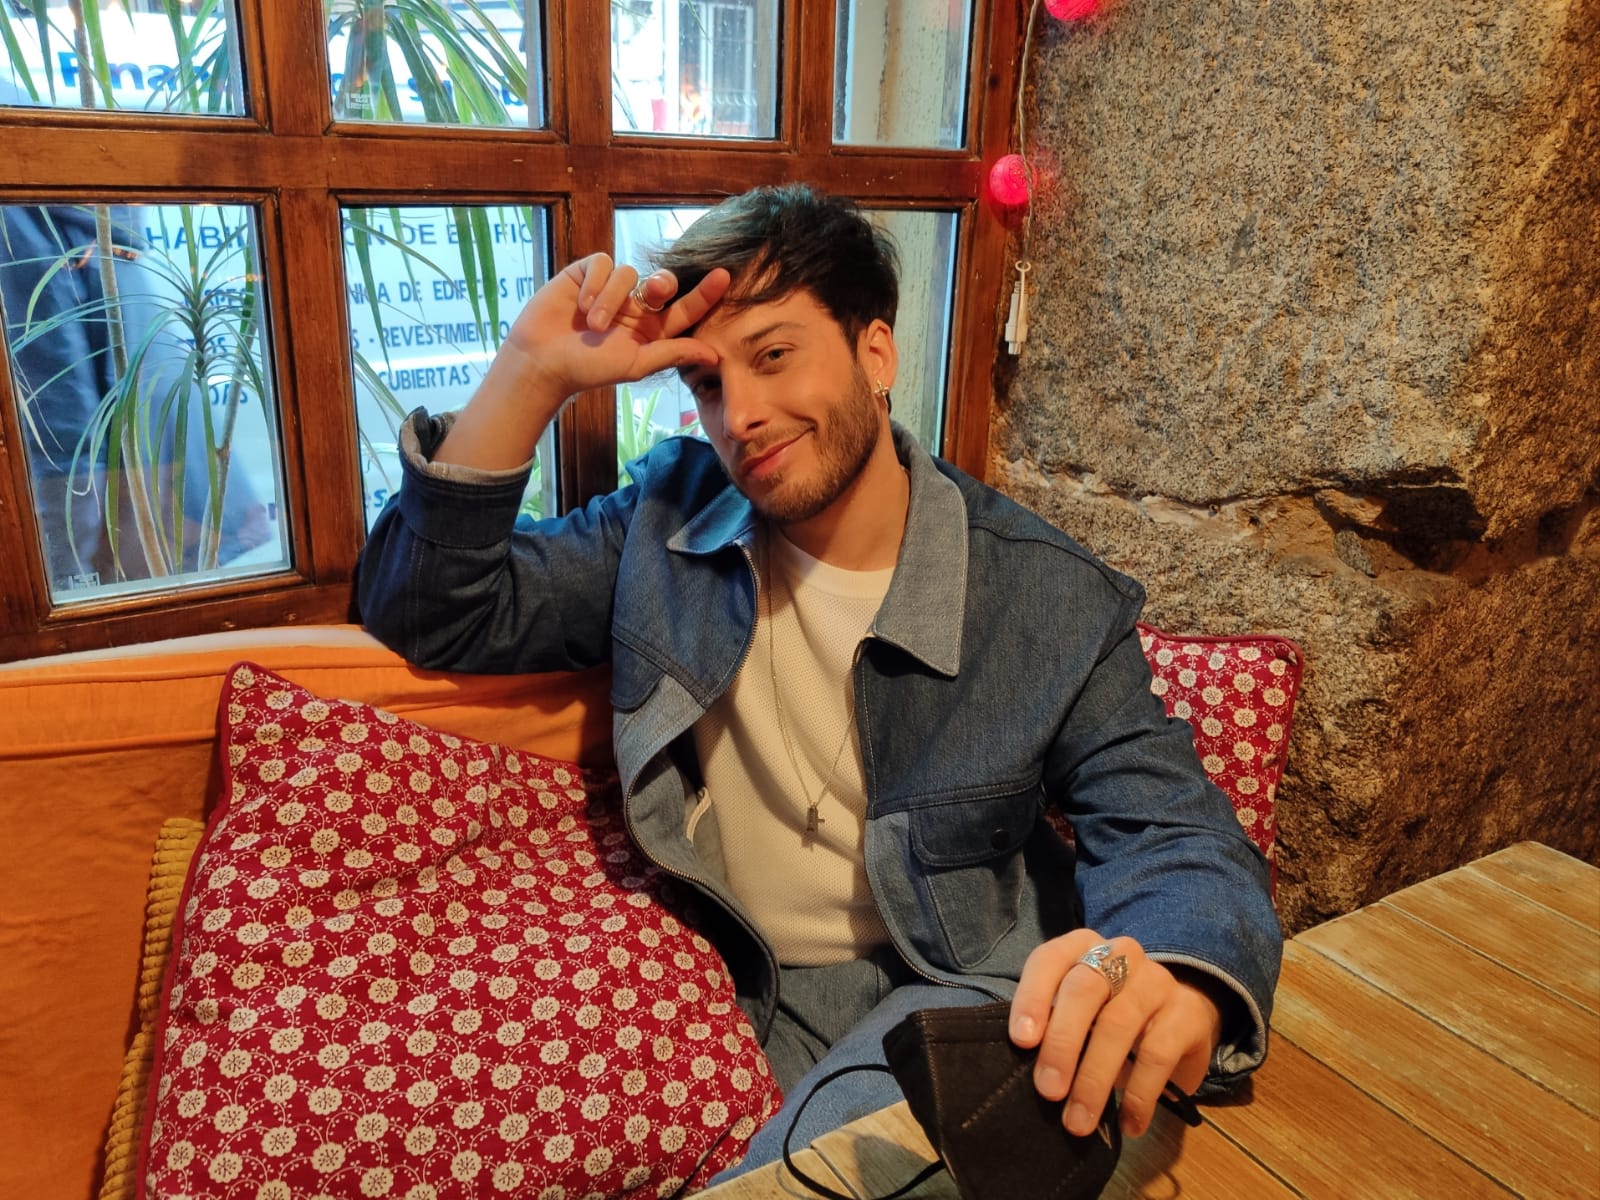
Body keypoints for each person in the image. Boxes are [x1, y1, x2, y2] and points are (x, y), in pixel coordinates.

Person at [356, 183, 1281, 1178]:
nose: (742, 416)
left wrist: (1179, 975)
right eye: (708, 382)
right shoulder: (665, 521)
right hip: (729, 975)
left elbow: (1168, 826)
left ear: (875, 353)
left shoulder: (1042, 593)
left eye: (773, 356)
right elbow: (434, 610)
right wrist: (529, 373)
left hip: (954, 985)